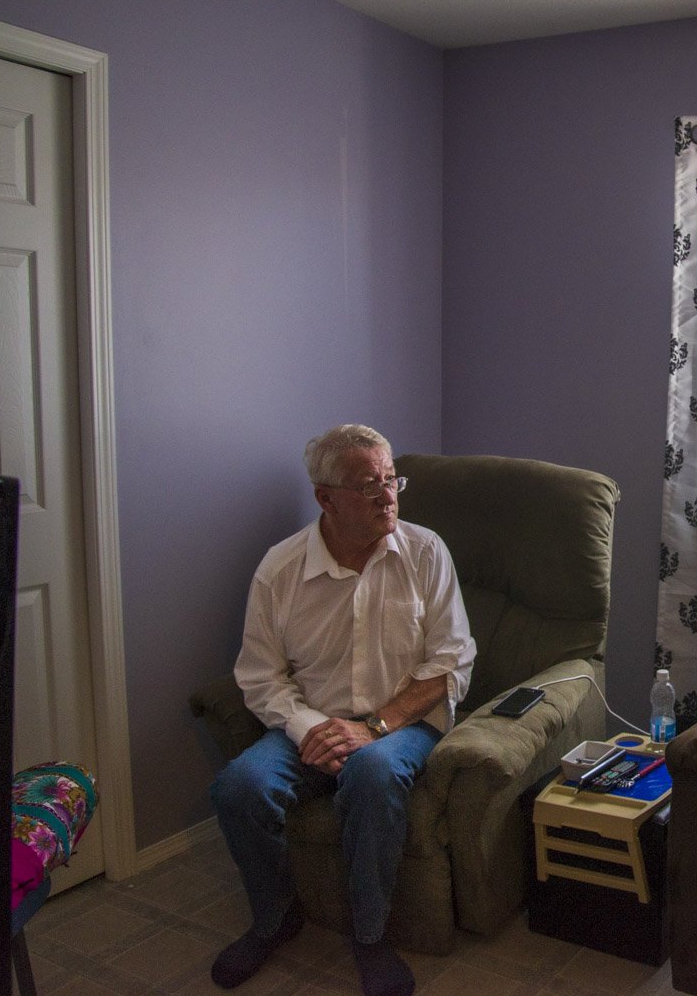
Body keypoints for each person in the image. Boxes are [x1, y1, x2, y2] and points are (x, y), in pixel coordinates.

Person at [209, 425, 475, 996]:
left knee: (374, 772)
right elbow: (259, 677)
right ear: (325, 498)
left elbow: (451, 662)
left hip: (399, 723)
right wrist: (313, 730)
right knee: (238, 788)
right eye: (368, 486)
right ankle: (274, 917)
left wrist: (372, 727)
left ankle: (370, 934)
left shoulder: (425, 552)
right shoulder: (280, 571)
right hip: (310, 720)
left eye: (391, 481)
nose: (388, 498)